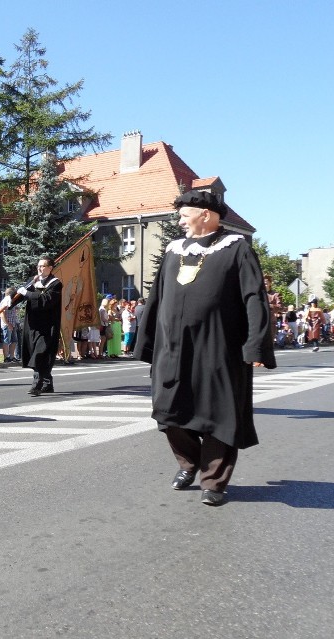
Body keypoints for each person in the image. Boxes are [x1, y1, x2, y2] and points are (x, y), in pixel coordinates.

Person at [134, 190, 276, 506]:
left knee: (219, 416)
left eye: (185, 215)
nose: (180, 220)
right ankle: (190, 462)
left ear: (206, 215)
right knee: (168, 411)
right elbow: (156, 299)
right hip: (174, 348)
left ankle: (214, 482)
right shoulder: (174, 250)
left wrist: (255, 345)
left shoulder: (237, 249)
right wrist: (145, 344)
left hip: (220, 349)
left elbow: (254, 297)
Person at [17, 256, 63, 396]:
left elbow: (45, 300)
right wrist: (11, 299)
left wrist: (28, 293)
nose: (39, 268)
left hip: (47, 325)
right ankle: (48, 384)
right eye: (39, 265)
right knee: (34, 352)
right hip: (32, 324)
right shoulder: (34, 280)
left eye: (43, 266)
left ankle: (36, 385)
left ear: (50, 268)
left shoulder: (56, 284)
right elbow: (20, 294)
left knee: (40, 354)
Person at [0, 287, 19, 363]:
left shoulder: (12, 301)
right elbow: (2, 314)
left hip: (13, 323)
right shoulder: (5, 301)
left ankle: (11, 356)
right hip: (7, 324)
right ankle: (6, 357)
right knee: (6, 340)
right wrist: (7, 324)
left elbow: (15, 309)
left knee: (14, 340)